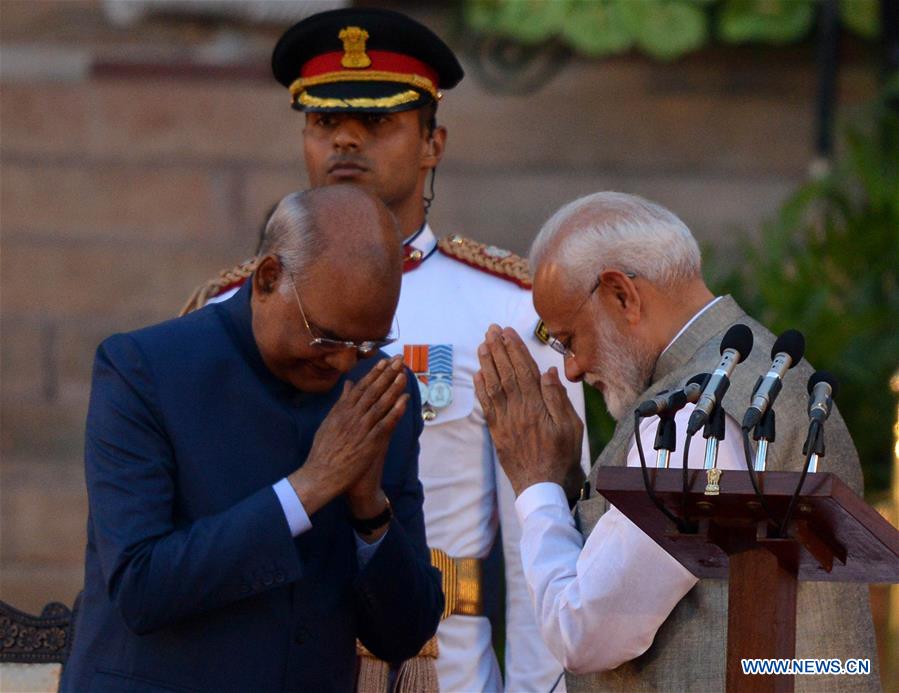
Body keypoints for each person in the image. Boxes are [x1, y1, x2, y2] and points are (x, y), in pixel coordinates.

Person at [180, 8, 589, 692]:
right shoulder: (228, 308)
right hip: (265, 661)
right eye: (322, 121)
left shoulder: (508, 309)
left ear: (433, 143)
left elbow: (542, 534)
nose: (344, 137)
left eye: (376, 122)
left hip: (438, 663)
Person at [474, 191, 880, 691]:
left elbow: (586, 633)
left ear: (621, 295)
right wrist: (569, 486)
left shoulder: (696, 414)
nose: (573, 369)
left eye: (569, 339)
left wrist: (536, 487)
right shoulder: (767, 372)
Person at [62, 186, 443, 693]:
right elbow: (141, 586)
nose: (343, 362)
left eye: (369, 343)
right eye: (328, 338)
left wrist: (369, 512)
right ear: (268, 279)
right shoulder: (145, 371)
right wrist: (308, 488)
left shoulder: (379, 393)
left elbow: (405, 633)